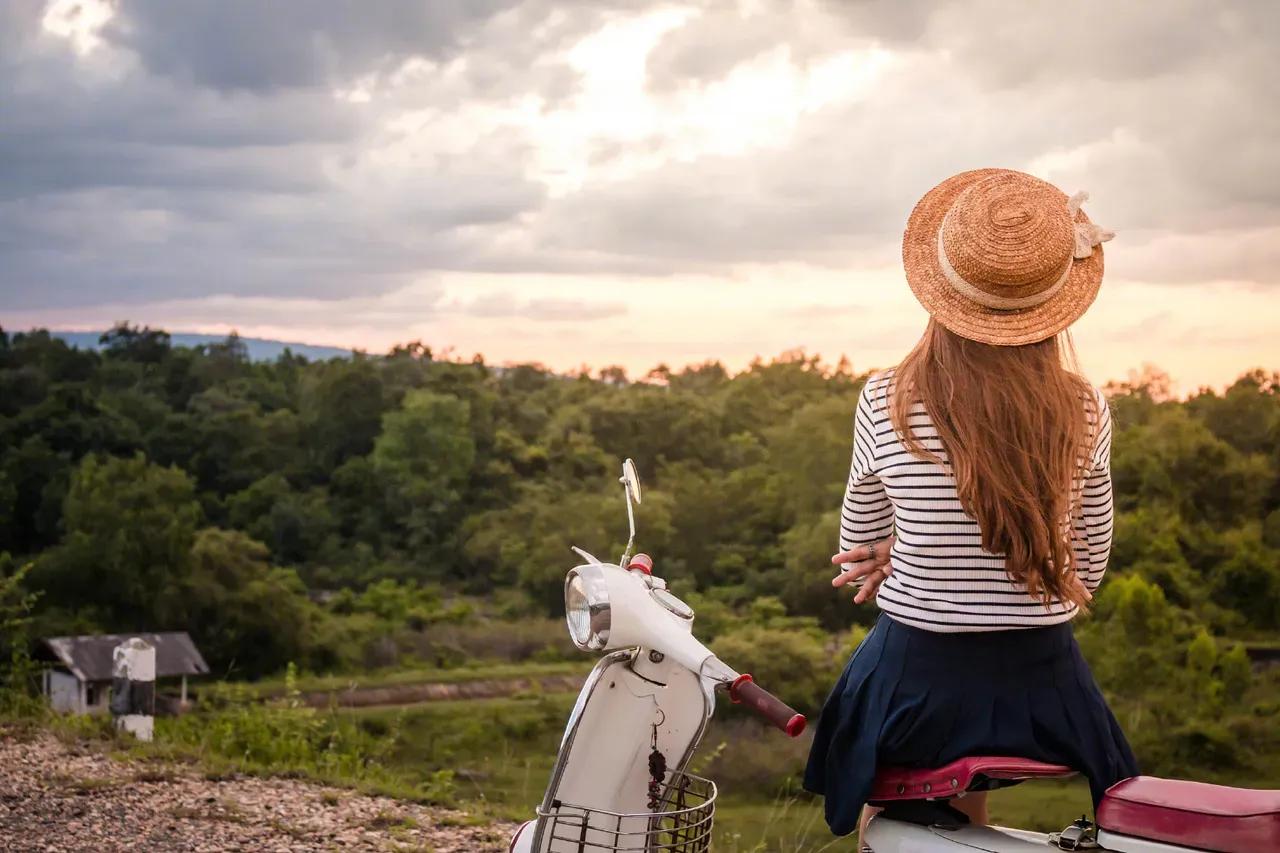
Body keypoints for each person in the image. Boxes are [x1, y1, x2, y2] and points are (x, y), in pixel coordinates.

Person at [802, 169, 1139, 840]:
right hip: (1044, 684)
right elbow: (1089, 565)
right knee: (970, 800)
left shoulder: (885, 398)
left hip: (919, 676)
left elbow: (858, 536)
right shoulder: (1085, 407)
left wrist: (907, 548)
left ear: (943, 290)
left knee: (890, 807)